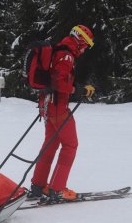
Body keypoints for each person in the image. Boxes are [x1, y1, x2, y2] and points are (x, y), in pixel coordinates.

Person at [29, 25, 96, 203]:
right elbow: (60, 83)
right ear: (80, 39)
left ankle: (38, 185)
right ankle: (56, 189)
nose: (85, 49)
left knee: (50, 144)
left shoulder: (59, 50)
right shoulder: (66, 55)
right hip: (58, 106)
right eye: (86, 45)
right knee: (70, 145)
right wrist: (79, 89)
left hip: (48, 105)